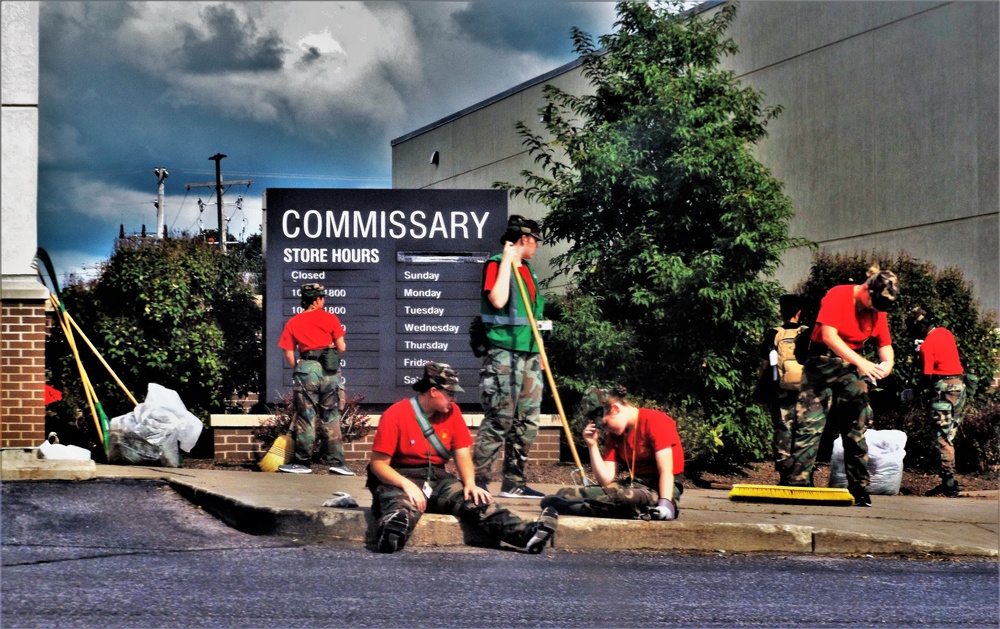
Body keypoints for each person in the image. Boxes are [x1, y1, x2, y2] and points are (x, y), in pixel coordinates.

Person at [366, 362, 558, 554]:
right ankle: (392, 532)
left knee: (477, 501)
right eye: (449, 394)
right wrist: (405, 484)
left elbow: (462, 452)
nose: (454, 398)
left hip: (436, 479)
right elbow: (378, 465)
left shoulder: (453, 413)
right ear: (433, 391)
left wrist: (470, 483)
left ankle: (527, 535)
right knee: (402, 506)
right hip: (400, 477)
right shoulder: (396, 414)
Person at [786, 266, 899, 506]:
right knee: (810, 425)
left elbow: (884, 343)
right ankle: (798, 484)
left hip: (852, 369)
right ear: (866, 289)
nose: (873, 309)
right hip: (822, 364)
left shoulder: (877, 309)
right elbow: (829, 335)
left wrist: (887, 363)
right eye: (873, 303)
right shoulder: (839, 294)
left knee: (856, 427)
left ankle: (859, 487)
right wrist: (861, 362)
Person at [473, 215, 547, 498]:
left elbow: (534, 317)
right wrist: (506, 260)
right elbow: (499, 300)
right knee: (500, 418)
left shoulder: (529, 271)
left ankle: (514, 481)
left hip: (529, 354)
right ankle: (478, 481)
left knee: (528, 421)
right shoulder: (495, 264)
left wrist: (540, 352)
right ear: (525, 239)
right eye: (535, 242)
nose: (536, 247)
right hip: (504, 353)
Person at [540, 386, 684, 520]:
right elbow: (606, 480)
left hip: (660, 487)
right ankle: (578, 505)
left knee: (625, 498)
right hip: (634, 484)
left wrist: (665, 505)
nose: (606, 430)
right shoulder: (615, 435)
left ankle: (574, 508)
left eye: (605, 424)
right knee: (566, 493)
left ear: (614, 409)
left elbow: (666, 471)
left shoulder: (655, 421)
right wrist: (592, 445)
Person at [276, 282, 353, 475]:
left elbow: (288, 354)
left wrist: (299, 368)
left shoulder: (293, 322)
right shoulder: (330, 318)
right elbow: (341, 348)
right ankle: (338, 463)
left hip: (306, 368)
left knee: (306, 418)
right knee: (331, 416)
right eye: (323, 297)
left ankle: (302, 463)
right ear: (318, 299)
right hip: (329, 370)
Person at [907, 307, 968, 497]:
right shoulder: (946, 333)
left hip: (943, 389)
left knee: (942, 438)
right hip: (959, 386)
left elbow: (927, 376)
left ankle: (949, 483)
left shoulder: (926, 345)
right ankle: (948, 480)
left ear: (921, 325)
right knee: (951, 432)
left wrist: (913, 392)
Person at [755, 294, 808, 484]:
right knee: (806, 431)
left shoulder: (774, 333)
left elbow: (764, 365)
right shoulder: (807, 332)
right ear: (799, 312)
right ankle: (804, 476)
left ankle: (785, 476)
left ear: (782, 312)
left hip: (781, 389)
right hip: (806, 392)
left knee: (783, 429)